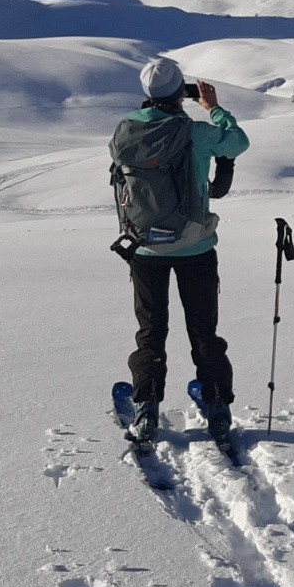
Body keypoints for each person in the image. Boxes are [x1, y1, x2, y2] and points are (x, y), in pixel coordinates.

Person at [119, 57, 250, 445]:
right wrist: (212, 107)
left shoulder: (125, 130)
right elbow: (238, 142)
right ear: (181, 92)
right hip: (195, 246)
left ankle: (146, 407)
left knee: (151, 330)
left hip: (145, 248)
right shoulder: (195, 132)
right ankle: (217, 406)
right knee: (203, 330)